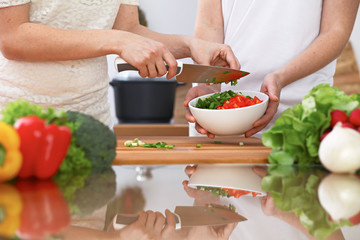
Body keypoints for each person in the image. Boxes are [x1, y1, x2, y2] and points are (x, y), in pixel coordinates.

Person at [0, 0, 240, 127]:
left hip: (93, 124)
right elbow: (12, 38)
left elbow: (128, 29)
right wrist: (114, 39)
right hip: (21, 124)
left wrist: (190, 46)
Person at [185, 0, 359, 139]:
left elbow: (336, 31)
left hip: (299, 114)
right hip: (221, 117)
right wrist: (210, 83)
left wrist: (281, 78)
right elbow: (209, 24)